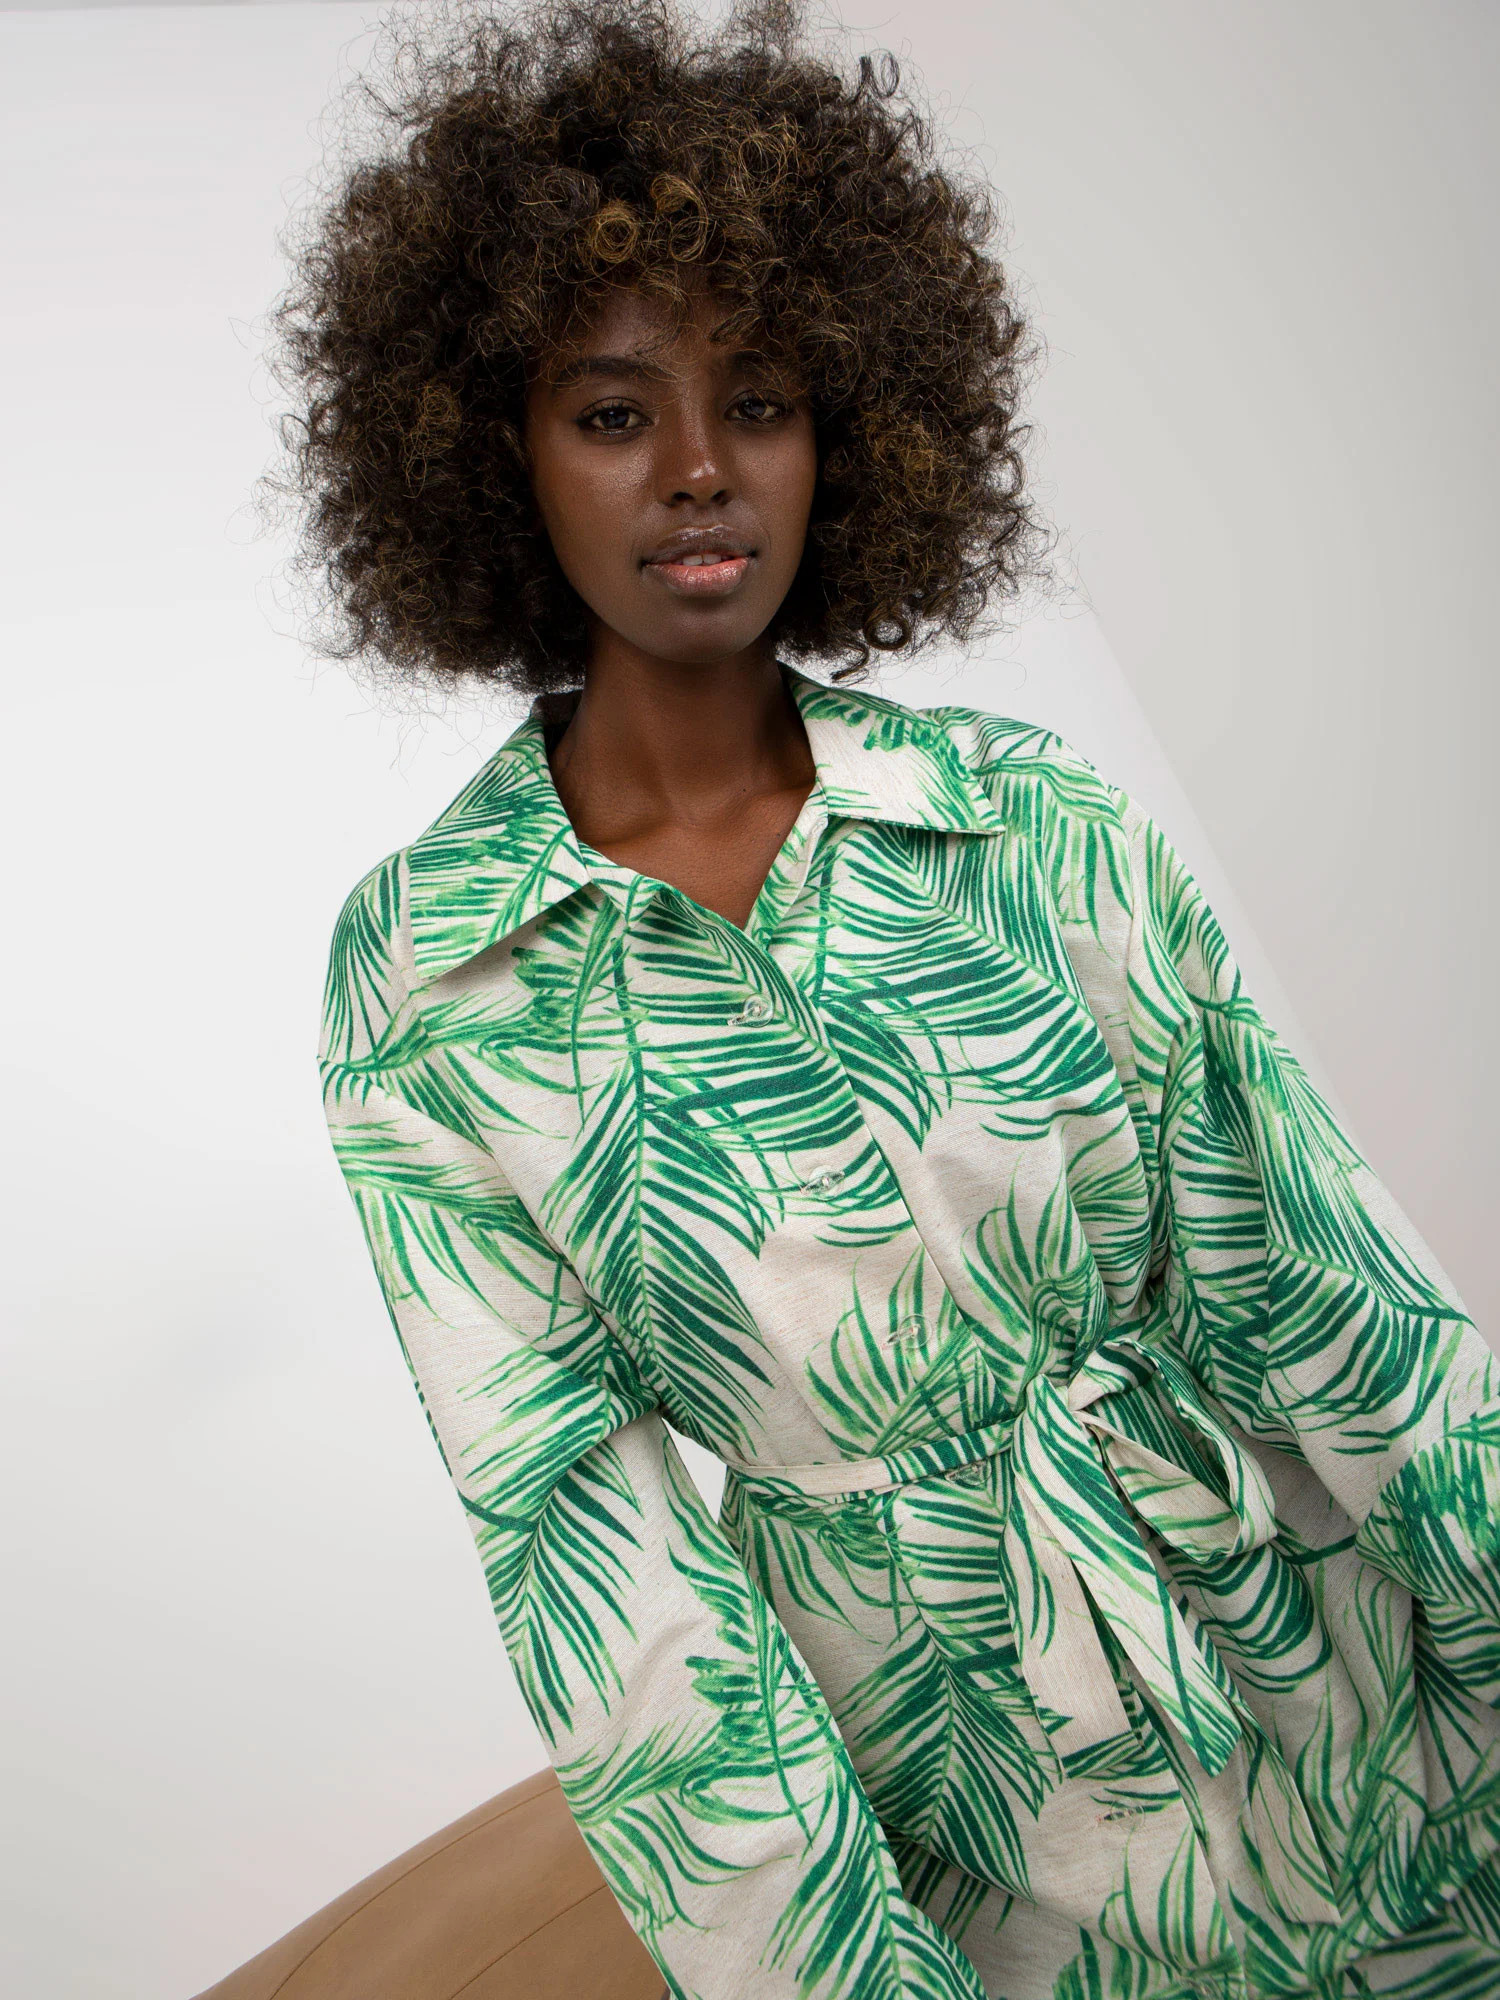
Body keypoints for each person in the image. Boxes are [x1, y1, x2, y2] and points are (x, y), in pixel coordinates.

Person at [271, 3, 1500, 1993]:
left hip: (1352, 1718)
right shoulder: (431, 988)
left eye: (757, 399)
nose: (698, 470)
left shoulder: (1033, 822)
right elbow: (605, 1584)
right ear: (497, 454)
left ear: (846, 426)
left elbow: (1331, 1293)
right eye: (613, 414)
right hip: (978, 1828)